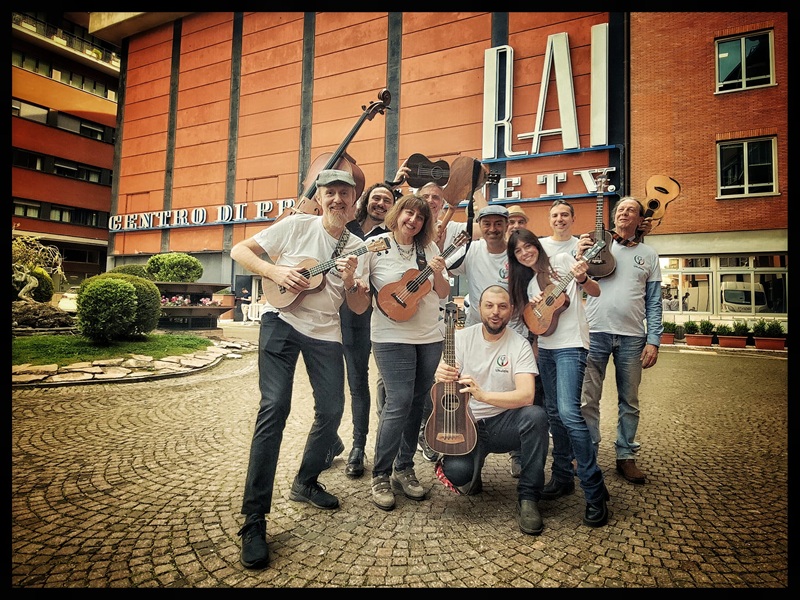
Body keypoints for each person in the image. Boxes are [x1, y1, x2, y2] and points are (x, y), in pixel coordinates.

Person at [231, 169, 371, 570]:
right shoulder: (295, 225)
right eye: (331, 193)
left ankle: (305, 481)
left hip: (326, 332)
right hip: (281, 322)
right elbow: (240, 250)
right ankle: (254, 519)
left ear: (354, 201)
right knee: (274, 407)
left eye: (345, 194)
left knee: (331, 412)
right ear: (320, 198)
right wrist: (275, 272)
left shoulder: (360, 247)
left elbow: (359, 307)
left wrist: (349, 283)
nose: (338, 200)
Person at [507, 229, 610, 527]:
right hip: (548, 351)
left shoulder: (564, 260)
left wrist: (580, 278)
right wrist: (538, 305)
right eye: (518, 251)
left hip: (572, 347)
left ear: (536, 245)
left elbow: (595, 291)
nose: (525, 253)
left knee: (568, 413)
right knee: (552, 413)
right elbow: (537, 321)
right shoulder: (527, 284)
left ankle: (593, 489)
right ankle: (563, 477)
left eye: (528, 246)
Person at [433, 285, 549, 535]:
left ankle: (528, 498)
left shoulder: (519, 345)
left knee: (536, 416)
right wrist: (439, 374)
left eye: (502, 306)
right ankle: (472, 473)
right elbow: (444, 384)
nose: (495, 312)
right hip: (467, 425)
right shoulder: (462, 338)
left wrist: (484, 395)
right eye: (489, 305)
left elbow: (527, 395)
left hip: (502, 425)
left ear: (511, 311)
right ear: (479, 308)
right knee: (457, 474)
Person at [367, 194, 450, 511]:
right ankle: (380, 474)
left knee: (418, 401)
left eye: (420, 216)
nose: (413, 220)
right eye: (408, 213)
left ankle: (404, 468)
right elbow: (362, 286)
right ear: (397, 214)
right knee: (398, 401)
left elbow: (442, 292)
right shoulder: (378, 245)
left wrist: (439, 271)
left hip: (429, 335)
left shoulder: (429, 248)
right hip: (390, 336)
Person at [575, 196, 663, 485]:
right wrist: (580, 251)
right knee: (589, 400)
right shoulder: (598, 245)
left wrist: (654, 339)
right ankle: (589, 454)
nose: (625, 213)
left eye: (632, 211)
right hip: (595, 332)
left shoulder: (648, 255)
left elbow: (654, 301)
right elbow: (576, 273)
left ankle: (626, 455)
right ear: (612, 218)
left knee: (630, 400)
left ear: (641, 221)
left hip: (633, 337)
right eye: (621, 210)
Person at [336, 182, 398, 479]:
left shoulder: (394, 236)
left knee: (391, 385)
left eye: (388, 200)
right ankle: (358, 447)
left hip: (388, 319)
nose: (381, 203)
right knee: (357, 382)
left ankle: (388, 450)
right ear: (366, 201)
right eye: (377, 197)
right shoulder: (347, 228)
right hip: (353, 317)